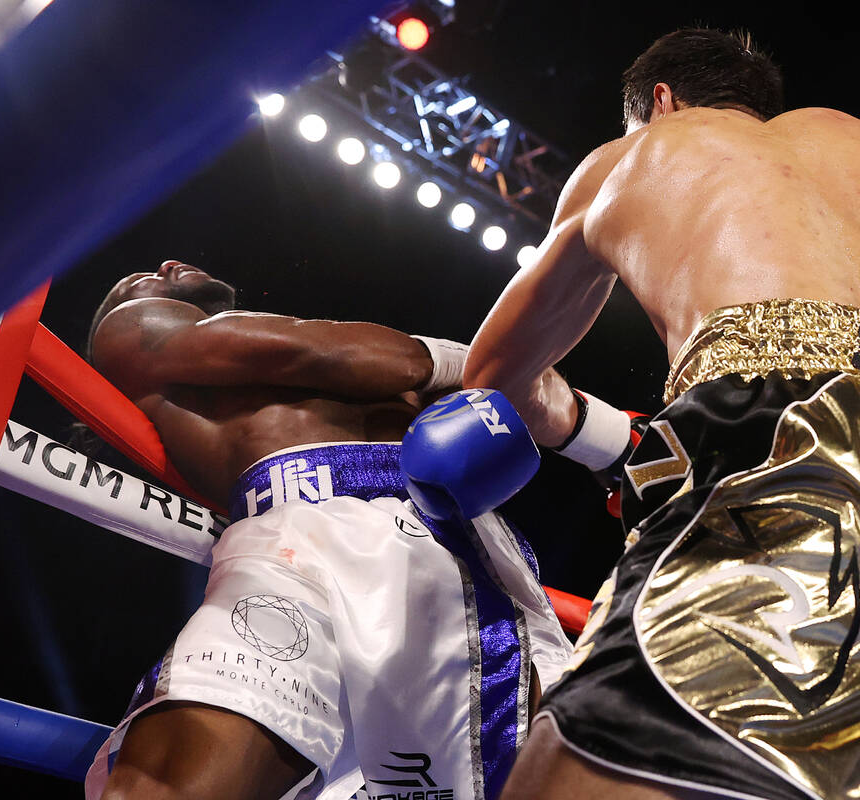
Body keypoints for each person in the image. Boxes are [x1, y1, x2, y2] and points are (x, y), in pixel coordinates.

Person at [464, 27, 860, 800]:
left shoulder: (641, 154)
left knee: (572, 779)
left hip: (801, 444)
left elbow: (492, 375)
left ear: (659, 102)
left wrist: (589, 431)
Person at [81, 260, 572, 800]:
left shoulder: (268, 364)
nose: (168, 265)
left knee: (548, 775)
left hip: (437, 537)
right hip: (286, 543)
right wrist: (475, 363)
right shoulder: (135, 328)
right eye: (142, 275)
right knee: (159, 784)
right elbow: (377, 358)